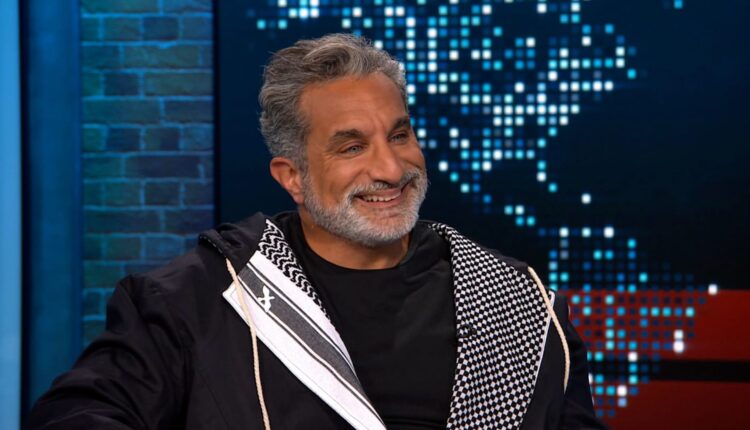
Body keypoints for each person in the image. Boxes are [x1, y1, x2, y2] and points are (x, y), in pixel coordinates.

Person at [28, 34, 606, 430]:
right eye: (351, 147)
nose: (391, 169)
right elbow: (75, 416)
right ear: (293, 177)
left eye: (400, 135)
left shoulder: (521, 303)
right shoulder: (195, 301)